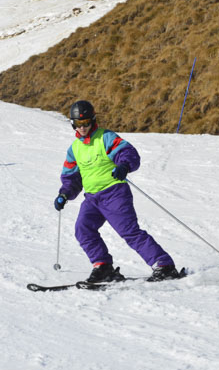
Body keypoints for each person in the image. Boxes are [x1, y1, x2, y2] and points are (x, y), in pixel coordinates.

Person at [54, 100, 181, 283]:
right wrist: (64, 194)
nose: (83, 127)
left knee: (129, 231)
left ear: (93, 120)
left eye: (86, 122)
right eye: (78, 124)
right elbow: (71, 177)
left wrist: (123, 166)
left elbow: (128, 153)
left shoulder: (105, 137)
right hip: (92, 199)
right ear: (73, 124)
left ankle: (164, 265)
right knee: (83, 229)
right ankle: (103, 266)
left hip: (114, 193)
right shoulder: (74, 149)